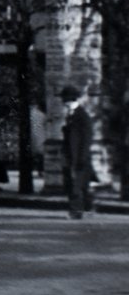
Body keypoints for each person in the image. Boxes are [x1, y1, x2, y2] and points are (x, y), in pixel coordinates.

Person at [61, 88, 95, 219]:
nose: (63, 102)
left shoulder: (81, 116)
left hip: (79, 156)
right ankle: (88, 208)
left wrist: (82, 157)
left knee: (75, 184)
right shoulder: (72, 114)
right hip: (73, 155)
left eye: (65, 99)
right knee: (83, 183)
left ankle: (76, 211)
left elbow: (86, 139)